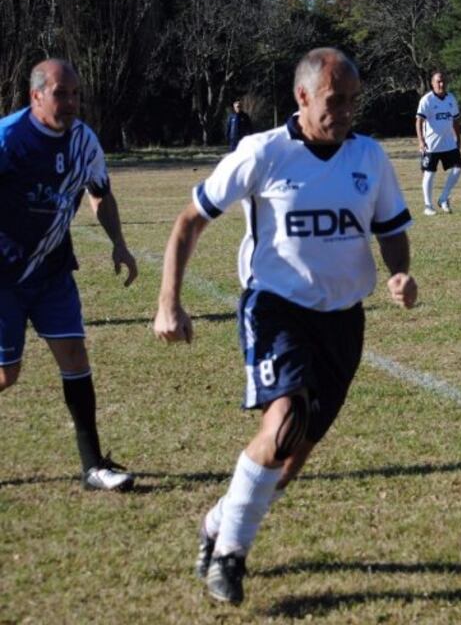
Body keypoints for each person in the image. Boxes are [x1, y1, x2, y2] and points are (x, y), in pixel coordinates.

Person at [153, 47, 418, 605]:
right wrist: (168, 301)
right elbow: (188, 221)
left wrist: (401, 273)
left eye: (352, 100)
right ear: (302, 97)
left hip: (343, 321)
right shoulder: (263, 152)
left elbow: (391, 227)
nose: (345, 111)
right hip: (276, 308)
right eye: (333, 100)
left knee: (290, 459)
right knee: (285, 420)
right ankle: (230, 557)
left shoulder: (369, 157)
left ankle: (217, 525)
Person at [0, 59, 139, 491]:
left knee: (76, 358)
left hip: (53, 271)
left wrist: (118, 242)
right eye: (62, 93)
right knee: (6, 374)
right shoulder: (8, 138)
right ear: (36, 96)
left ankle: (93, 466)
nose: (72, 103)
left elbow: (100, 193)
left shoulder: (84, 141)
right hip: (4, 275)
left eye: (76, 94)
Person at [415, 71, 461, 215]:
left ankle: (443, 198)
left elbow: (455, 120)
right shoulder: (427, 100)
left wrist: (458, 139)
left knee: (458, 167)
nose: (441, 84)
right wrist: (421, 141)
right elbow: (419, 121)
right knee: (429, 173)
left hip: (448, 143)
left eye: (443, 81)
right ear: (432, 83)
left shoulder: (451, 99)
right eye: (438, 82)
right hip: (431, 145)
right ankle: (428, 206)